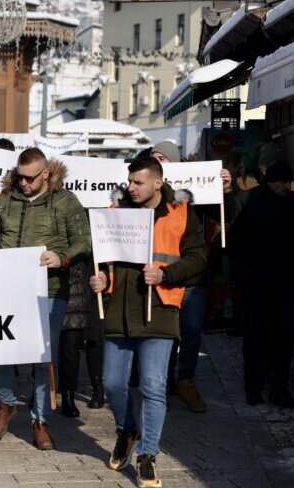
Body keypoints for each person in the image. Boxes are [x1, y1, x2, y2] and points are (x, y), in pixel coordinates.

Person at [90, 157, 206, 488]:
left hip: (161, 307)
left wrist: (165, 274)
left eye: (138, 182)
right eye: (130, 181)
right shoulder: (114, 211)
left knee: (153, 385)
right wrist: (100, 280)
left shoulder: (182, 212)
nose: (131, 187)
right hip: (120, 310)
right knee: (112, 383)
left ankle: (147, 454)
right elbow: (103, 259)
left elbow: (198, 258)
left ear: (157, 183)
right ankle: (127, 428)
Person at [0, 147, 91, 451]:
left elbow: (84, 240)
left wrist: (62, 256)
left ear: (45, 174)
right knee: (1, 349)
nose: (23, 183)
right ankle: (6, 402)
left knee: (42, 358)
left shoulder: (65, 201)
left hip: (49, 290)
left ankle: (41, 419)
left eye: (29, 178)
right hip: (7, 287)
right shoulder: (6, 199)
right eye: (19, 177)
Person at [149, 140, 230, 413]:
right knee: (166, 332)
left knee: (191, 330)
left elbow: (223, 213)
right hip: (161, 275)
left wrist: (224, 189)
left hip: (191, 276)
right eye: (154, 158)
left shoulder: (195, 188)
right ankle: (165, 382)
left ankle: (186, 380)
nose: (158, 162)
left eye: (163, 158)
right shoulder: (147, 191)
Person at [228, 161, 294, 408]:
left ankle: (279, 389)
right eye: (281, 181)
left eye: (288, 181)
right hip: (254, 284)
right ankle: (252, 387)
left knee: (284, 338)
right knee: (255, 337)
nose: (286, 186)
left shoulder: (291, 203)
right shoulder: (250, 201)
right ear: (271, 181)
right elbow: (233, 239)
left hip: (285, 284)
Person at [59, 259, 104, 416]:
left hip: (93, 292)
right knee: (69, 348)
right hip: (69, 291)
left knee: (94, 343)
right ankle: (68, 395)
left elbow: (103, 260)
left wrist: (104, 278)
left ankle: (98, 389)